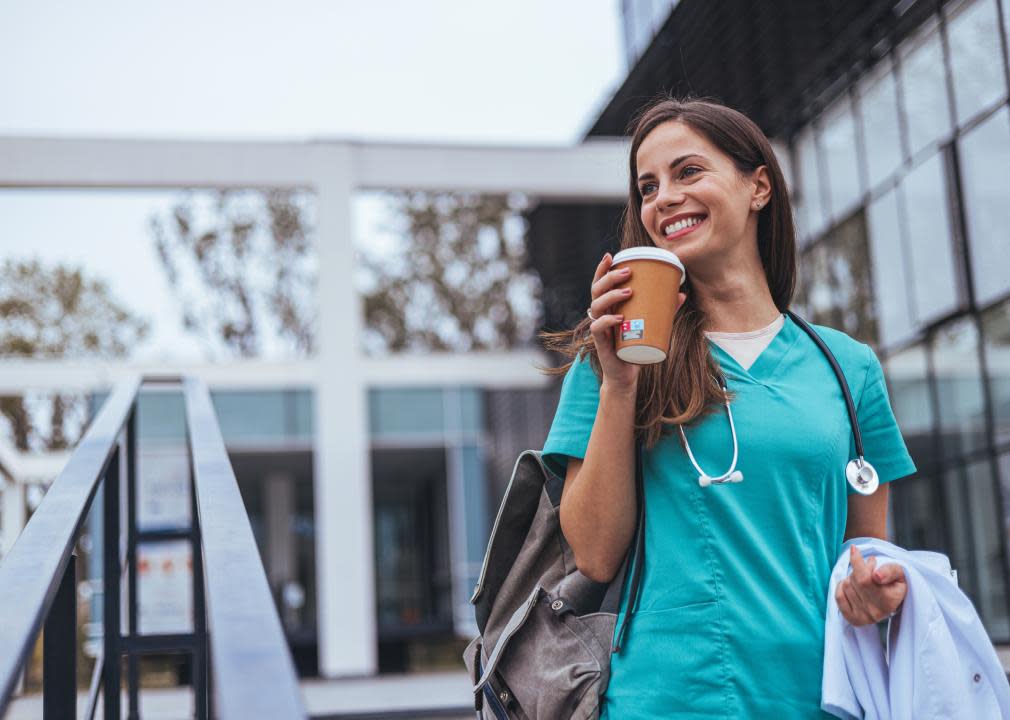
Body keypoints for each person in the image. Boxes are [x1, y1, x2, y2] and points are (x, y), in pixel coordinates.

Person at [539, 96, 916, 718]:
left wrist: (875, 592)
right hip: (665, 700)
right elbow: (595, 554)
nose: (662, 197)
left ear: (758, 187)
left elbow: (869, 556)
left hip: (817, 698)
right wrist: (619, 386)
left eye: (688, 172)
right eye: (647, 187)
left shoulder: (849, 370)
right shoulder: (612, 359)